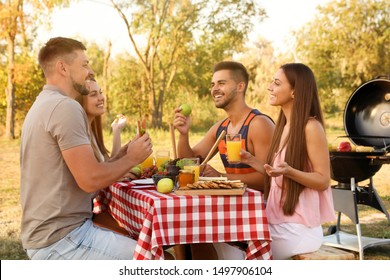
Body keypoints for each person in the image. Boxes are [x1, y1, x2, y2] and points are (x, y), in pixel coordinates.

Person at [20, 37, 153, 260]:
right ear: (63, 67)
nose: (89, 71)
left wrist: (118, 158)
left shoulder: (43, 103)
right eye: (84, 64)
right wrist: (131, 159)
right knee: (157, 261)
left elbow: (79, 174)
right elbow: (89, 181)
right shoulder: (65, 107)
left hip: (51, 236)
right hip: (63, 240)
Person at [173, 61, 275, 259]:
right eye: (212, 85)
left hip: (259, 213)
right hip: (232, 207)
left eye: (221, 83)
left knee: (193, 228)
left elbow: (268, 179)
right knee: (185, 227)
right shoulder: (221, 127)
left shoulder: (259, 124)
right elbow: (188, 163)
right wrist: (183, 135)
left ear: (240, 86)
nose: (214, 89)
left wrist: (221, 177)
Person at [239, 63, 336, 259]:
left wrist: (290, 171)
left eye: (276, 83)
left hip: (299, 231)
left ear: (294, 91)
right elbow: (276, 172)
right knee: (225, 236)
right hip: (278, 221)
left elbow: (323, 180)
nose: (270, 87)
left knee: (233, 241)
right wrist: (251, 160)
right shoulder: (284, 126)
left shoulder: (311, 127)